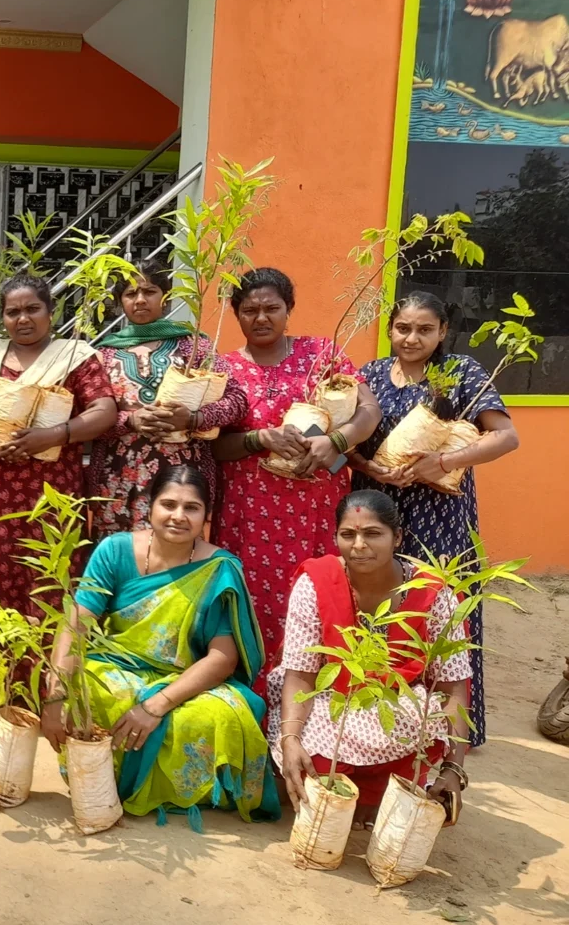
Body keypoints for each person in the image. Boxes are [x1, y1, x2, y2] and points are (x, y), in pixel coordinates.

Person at [41, 466, 279, 827]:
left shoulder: (219, 568)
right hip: (117, 667)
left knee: (225, 715)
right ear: (149, 508)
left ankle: (158, 785)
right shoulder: (115, 550)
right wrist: (56, 695)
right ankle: (103, 777)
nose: (178, 516)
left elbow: (222, 658)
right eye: (168, 504)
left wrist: (157, 705)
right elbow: (78, 625)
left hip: (184, 680)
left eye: (192, 508)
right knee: (86, 688)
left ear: (206, 517)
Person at [349, 291, 518, 745]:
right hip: (378, 510)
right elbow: (351, 445)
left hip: (439, 515)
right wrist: (368, 467)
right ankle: (378, 716)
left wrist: (442, 463)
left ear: (443, 332)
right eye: (403, 327)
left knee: (439, 610)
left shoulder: (461, 373)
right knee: (376, 603)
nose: (412, 337)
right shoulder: (368, 377)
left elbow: (505, 437)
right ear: (389, 329)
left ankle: (448, 728)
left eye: (425, 329)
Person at [212, 268, 381, 688]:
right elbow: (214, 448)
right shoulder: (224, 369)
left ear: (290, 309)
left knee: (317, 598)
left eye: (272, 308)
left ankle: (315, 705)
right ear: (236, 314)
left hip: (315, 510)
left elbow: (369, 412)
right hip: (250, 515)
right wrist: (258, 439)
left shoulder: (322, 355)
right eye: (249, 310)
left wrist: (337, 442)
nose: (261, 317)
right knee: (255, 603)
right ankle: (254, 702)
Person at [270, 490, 470, 825]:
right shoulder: (316, 582)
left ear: (398, 538)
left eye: (373, 534)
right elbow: (301, 674)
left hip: (397, 705)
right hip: (327, 696)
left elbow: (452, 688)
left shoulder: (435, 594)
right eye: (348, 534)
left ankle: (377, 795)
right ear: (335, 537)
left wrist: (454, 768)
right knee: (312, 763)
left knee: (422, 717)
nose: (359, 546)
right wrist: (290, 740)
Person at [0, 273, 116, 631]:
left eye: (32, 309)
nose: (22, 319)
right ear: (2, 317)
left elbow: (104, 412)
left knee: (46, 581)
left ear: (51, 312)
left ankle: (44, 680)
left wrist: (53, 435)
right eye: (12, 312)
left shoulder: (75, 358)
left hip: (50, 494)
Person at [85, 263, 247, 540]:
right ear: (120, 301)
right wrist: (130, 421)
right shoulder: (103, 354)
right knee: (121, 555)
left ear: (166, 297)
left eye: (150, 291)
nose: (140, 300)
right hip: (118, 476)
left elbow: (237, 400)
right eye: (130, 293)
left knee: (176, 553)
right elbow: (85, 416)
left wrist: (194, 418)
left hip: (181, 474)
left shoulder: (193, 346)